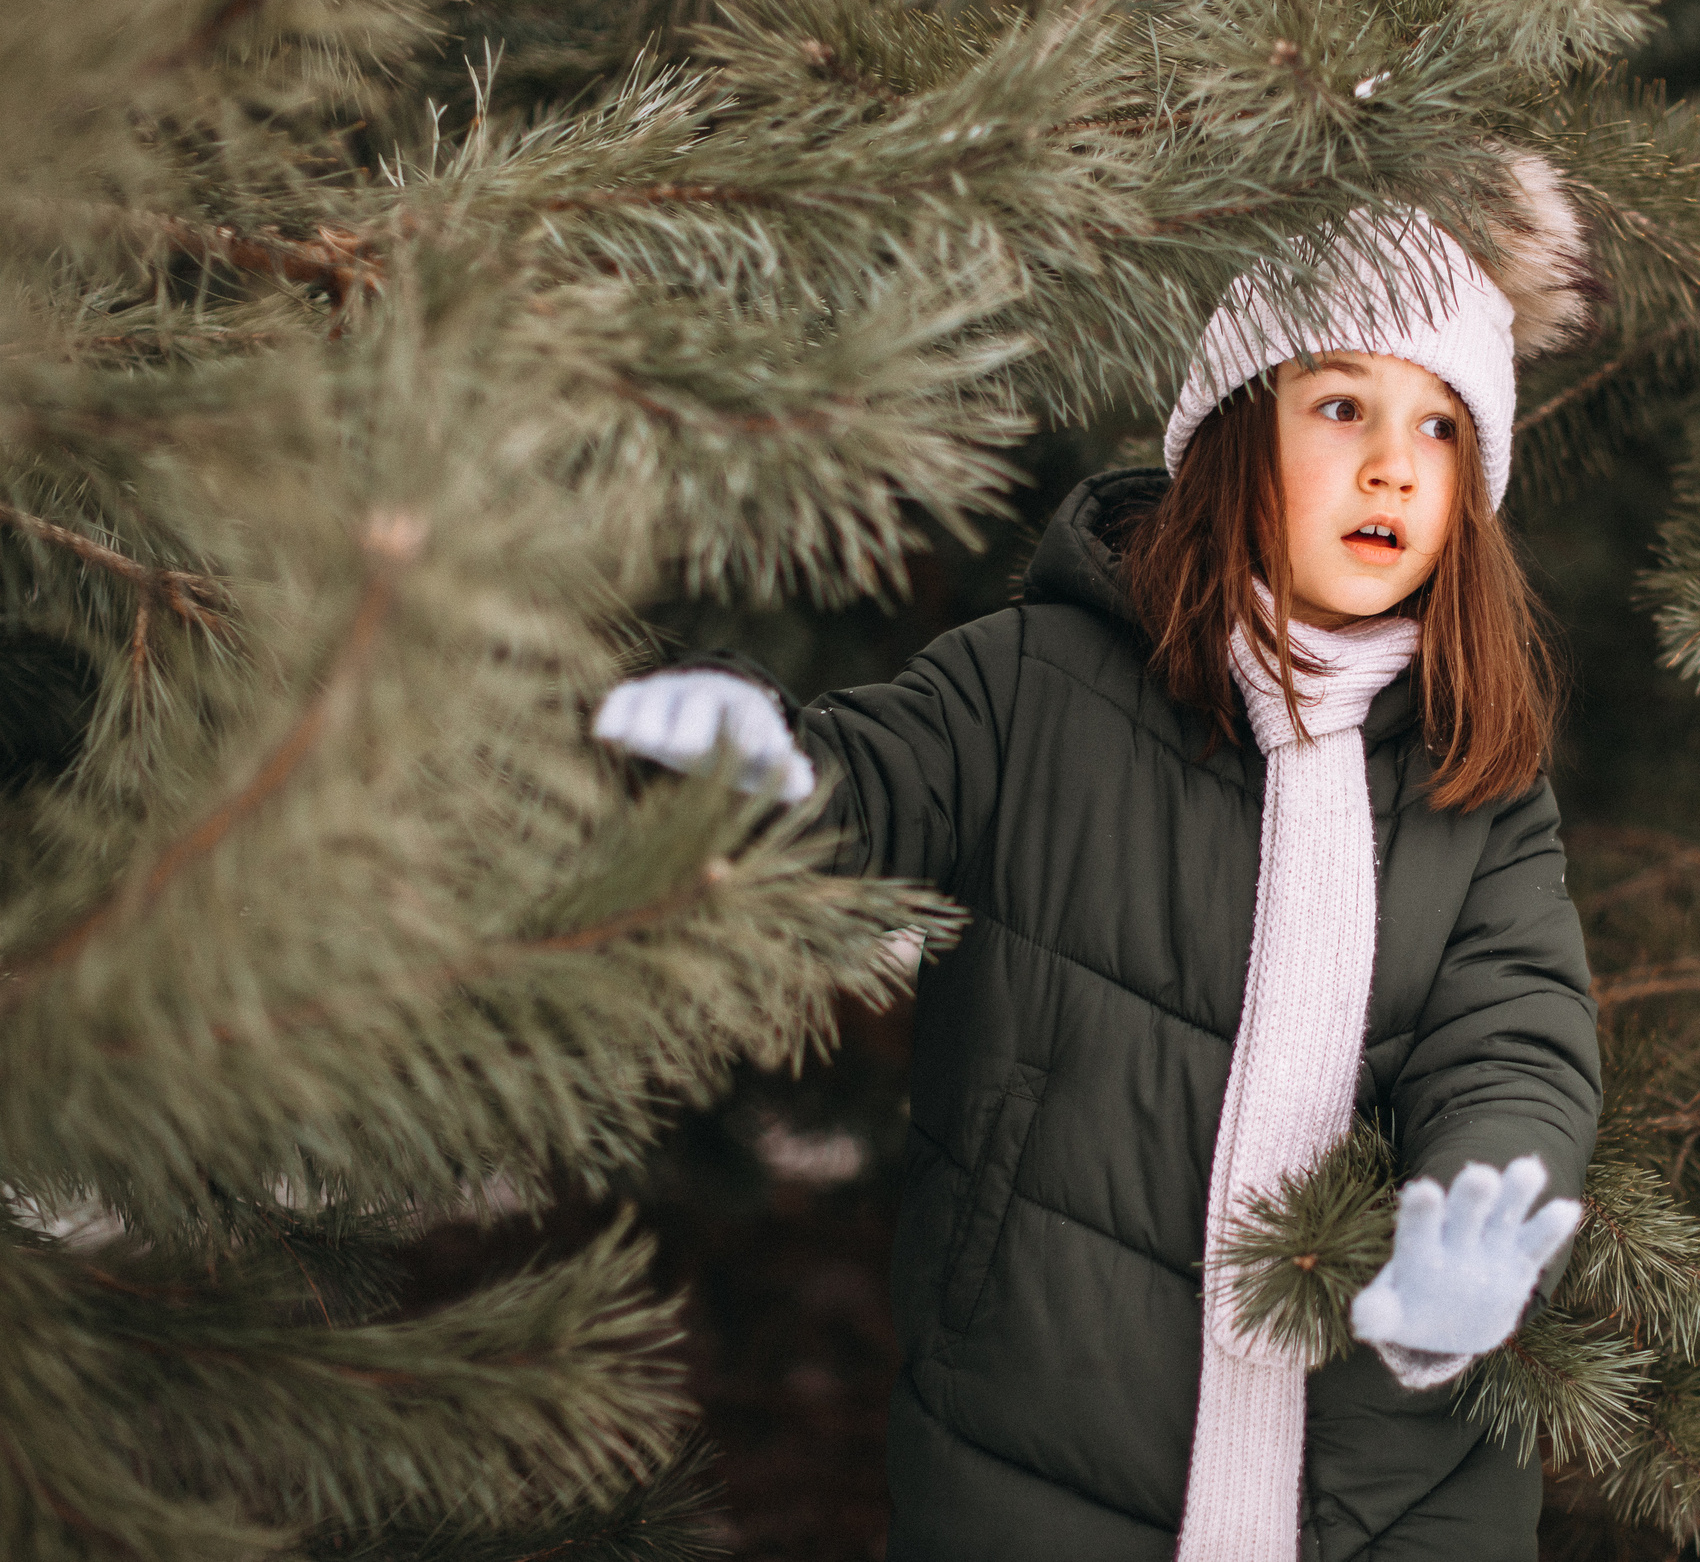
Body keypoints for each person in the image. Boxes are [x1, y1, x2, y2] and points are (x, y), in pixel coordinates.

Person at [593, 159, 1604, 1562]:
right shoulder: (1033, 685)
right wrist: (756, 767)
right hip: (1044, 1450)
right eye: (1342, 407)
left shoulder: (1474, 780)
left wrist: (1476, 1210)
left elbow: (1519, 1040)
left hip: (1392, 1495)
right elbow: (869, 793)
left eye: (1442, 429)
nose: (1392, 463)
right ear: (1238, 431)